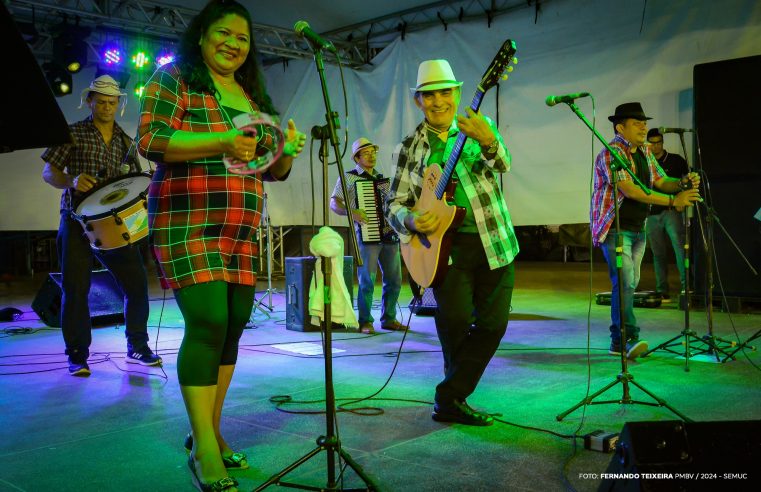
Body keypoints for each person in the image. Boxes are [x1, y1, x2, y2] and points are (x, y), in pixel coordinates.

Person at [137, 1, 306, 490]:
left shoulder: (251, 95)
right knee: (208, 321)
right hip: (186, 219)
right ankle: (205, 450)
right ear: (201, 35)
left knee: (231, 327)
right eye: (224, 33)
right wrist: (223, 140)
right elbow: (153, 139)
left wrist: (284, 155)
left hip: (241, 225)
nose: (233, 43)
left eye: (243, 38)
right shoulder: (174, 79)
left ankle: (207, 431)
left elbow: (268, 168)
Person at [385, 60, 519, 427]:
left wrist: (488, 140)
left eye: (446, 92)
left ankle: (448, 396)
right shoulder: (409, 147)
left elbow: (504, 164)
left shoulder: (479, 127)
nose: (439, 100)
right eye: (429, 94)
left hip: (495, 242)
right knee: (454, 325)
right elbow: (393, 203)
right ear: (418, 101)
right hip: (443, 251)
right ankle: (453, 403)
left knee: (493, 326)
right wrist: (410, 219)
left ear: (458, 94)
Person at [41, 74, 161, 377]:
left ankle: (137, 347)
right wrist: (71, 180)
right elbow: (48, 172)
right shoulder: (73, 133)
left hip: (114, 224)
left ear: (118, 104)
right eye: (101, 102)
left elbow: (133, 183)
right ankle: (78, 355)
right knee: (75, 289)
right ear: (89, 101)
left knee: (136, 285)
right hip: (77, 221)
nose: (107, 107)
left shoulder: (126, 140)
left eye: (112, 102)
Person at [591, 103, 701, 360]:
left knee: (629, 283)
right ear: (620, 127)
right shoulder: (611, 153)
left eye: (644, 122)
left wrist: (682, 183)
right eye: (636, 122)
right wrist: (674, 201)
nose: (644, 126)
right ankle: (624, 339)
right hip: (615, 229)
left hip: (637, 229)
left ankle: (621, 340)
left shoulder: (644, 152)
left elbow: (661, 181)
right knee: (626, 283)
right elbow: (631, 190)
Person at [330, 137, 406, 334]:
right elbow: (334, 203)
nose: (371, 155)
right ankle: (365, 321)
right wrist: (352, 212)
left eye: (373, 152)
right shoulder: (348, 178)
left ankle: (389, 318)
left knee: (395, 279)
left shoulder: (383, 180)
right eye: (366, 152)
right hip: (367, 235)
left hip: (389, 235)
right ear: (357, 157)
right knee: (367, 281)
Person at [645, 128, 690, 301]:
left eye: (658, 142)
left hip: (671, 211)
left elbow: (687, 181)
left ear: (662, 143)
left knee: (680, 249)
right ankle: (662, 290)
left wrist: (681, 201)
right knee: (658, 253)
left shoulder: (676, 160)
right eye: (652, 143)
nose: (655, 146)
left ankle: (687, 288)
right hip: (651, 213)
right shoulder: (646, 162)